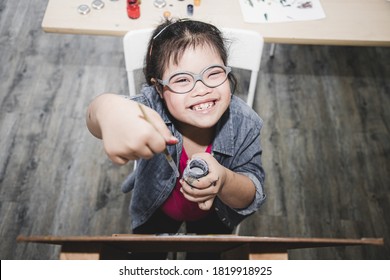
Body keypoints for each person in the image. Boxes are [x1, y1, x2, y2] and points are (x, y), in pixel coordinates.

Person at [86, 19, 266, 258]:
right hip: (155, 210)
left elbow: (252, 193)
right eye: (182, 79)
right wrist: (108, 110)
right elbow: (95, 115)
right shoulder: (151, 107)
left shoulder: (246, 123)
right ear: (159, 89)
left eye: (213, 73)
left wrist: (224, 180)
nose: (201, 89)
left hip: (214, 217)